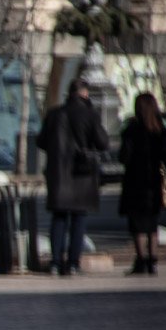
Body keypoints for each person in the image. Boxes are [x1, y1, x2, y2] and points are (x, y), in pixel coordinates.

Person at [36, 77, 109, 276]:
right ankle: (73, 263)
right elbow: (103, 142)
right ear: (84, 93)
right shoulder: (90, 114)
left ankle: (55, 262)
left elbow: (41, 141)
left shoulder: (54, 114)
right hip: (81, 174)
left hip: (59, 174)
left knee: (59, 217)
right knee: (78, 218)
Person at [118, 93, 166, 275]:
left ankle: (141, 260)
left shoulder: (132, 130)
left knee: (137, 224)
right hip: (154, 182)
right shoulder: (159, 129)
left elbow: (124, 156)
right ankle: (153, 261)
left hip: (135, 183)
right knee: (152, 223)